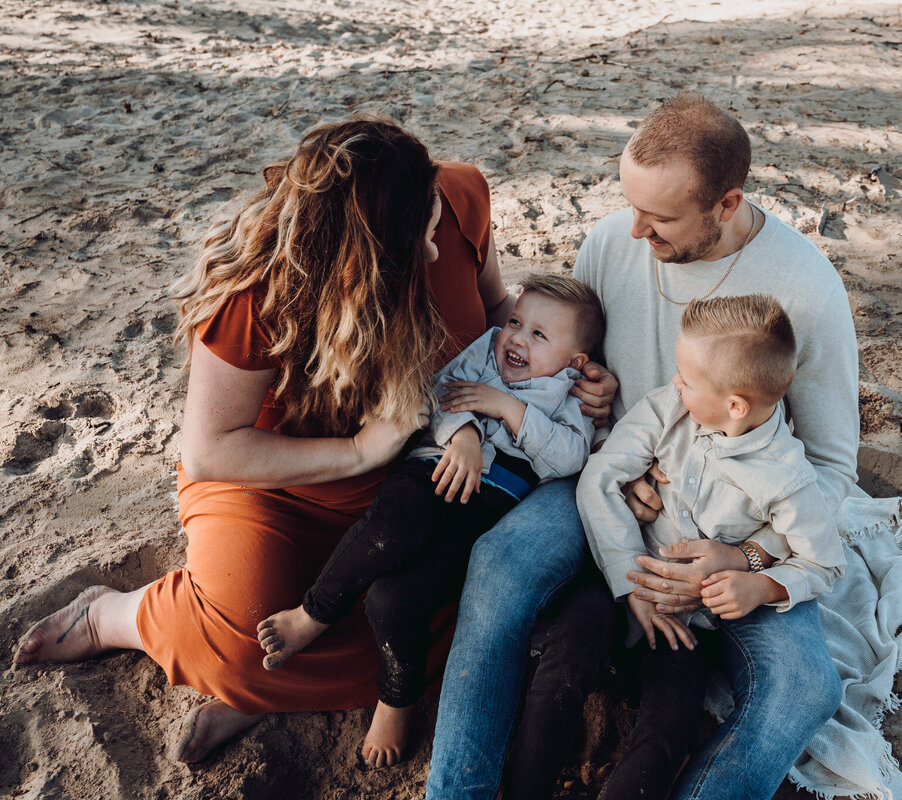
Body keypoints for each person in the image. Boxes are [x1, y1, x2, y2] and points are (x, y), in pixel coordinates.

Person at [10, 117, 618, 765]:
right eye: (422, 235)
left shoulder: (459, 197)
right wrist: (359, 452)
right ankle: (111, 616)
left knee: (419, 593)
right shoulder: (255, 293)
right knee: (246, 640)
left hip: (419, 467)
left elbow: (497, 314)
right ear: (365, 256)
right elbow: (213, 450)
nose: (437, 249)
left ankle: (273, 691)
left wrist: (569, 384)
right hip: (277, 482)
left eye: (437, 216)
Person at [426, 92, 858, 800]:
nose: (634, 230)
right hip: (602, 473)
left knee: (806, 686)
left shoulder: (806, 289)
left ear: (726, 205)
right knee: (499, 565)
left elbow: (834, 468)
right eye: (630, 205)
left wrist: (744, 555)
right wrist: (593, 402)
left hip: (735, 518)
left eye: (659, 217)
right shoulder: (610, 243)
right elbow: (558, 367)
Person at [255, 273, 604, 766]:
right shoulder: (486, 350)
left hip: (483, 508)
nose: (517, 339)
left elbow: (569, 458)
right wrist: (462, 435)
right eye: (516, 323)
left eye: (539, 336)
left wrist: (506, 406)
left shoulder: (575, 398)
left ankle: (396, 697)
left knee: (395, 598)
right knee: (393, 527)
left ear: (575, 362)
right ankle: (314, 613)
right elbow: (440, 392)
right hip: (430, 469)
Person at [572, 294, 847, 799]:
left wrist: (761, 585)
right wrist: (628, 580)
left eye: (687, 378)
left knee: (664, 730)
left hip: (690, 624)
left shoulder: (786, 478)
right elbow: (600, 478)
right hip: (624, 591)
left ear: (735, 406)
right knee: (563, 668)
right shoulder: (670, 409)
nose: (675, 383)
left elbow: (825, 561)